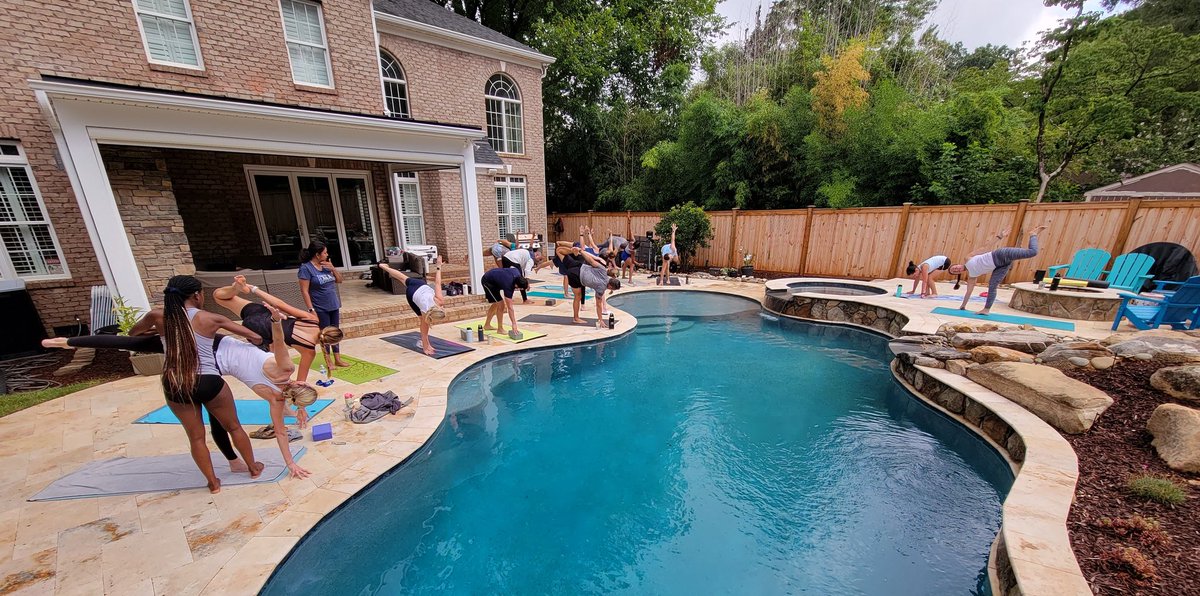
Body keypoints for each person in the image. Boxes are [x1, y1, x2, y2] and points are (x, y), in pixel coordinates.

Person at [43, 303, 316, 480]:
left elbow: (278, 340)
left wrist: (277, 321)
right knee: (219, 417)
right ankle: (234, 462)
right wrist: (290, 464)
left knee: (146, 342)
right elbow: (281, 432)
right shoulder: (275, 401)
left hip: (215, 349)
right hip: (210, 365)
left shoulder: (284, 369)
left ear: (300, 386)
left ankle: (67, 341)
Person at [159, 275, 262, 494]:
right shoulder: (211, 318)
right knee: (233, 426)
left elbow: (134, 333)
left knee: (195, 437)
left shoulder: (159, 317)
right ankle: (253, 468)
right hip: (207, 379)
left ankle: (213, 483)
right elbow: (254, 336)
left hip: (175, 383)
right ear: (197, 295)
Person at [212, 276, 344, 383]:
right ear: (329, 343)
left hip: (262, 313)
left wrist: (254, 289)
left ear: (327, 328)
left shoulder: (312, 319)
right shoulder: (309, 351)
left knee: (217, 296)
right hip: (259, 331)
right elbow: (300, 381)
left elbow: (280, 304)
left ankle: (235, 288)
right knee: (276, 360)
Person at [949, 225, 1048, 315]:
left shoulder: (967, 258)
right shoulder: (972, 276)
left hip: (1000, 254)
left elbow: (985, 248)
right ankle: (986, 309)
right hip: (1001, 266)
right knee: (992, 285)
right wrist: (963, 305)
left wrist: (999, 236)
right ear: (959, 273)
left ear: (957, 264)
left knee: (1032, 252)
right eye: (955, 271)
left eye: (954, 267)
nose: (956, 269)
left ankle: (1033, 234)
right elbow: (968, 292)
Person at [377, 256, 447, 356]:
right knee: (424, 324)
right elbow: (424, 328)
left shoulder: (440, 300)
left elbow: (437, 282)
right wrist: (426, 346)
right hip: (412, 294)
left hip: (419, 284)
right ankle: (425, 345)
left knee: (402, 277)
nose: (443, 307)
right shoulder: (425, 311)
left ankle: (384, 267)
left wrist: (439, 266)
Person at [298, 241, 346, 368]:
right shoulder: (306, 268)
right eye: (325, 252)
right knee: (325, 334)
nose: (327, 254)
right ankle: (328, 360)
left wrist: (333, 269)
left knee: (335, 332)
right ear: (317, 255)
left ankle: (338, 359)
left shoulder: (327, 266)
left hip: (333, 304)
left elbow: (339, 281)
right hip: (320, 307)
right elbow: (304, 291)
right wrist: (311, 309)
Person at [572, 248, 622, 328]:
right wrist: (600, 320)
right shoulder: (601, 288)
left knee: (560, 253)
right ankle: (576, 318)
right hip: (577, 274)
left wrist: (581, 251)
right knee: (578, 296)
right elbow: (599, 305)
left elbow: (591, 260)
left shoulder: (603, 270)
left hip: (579, 265)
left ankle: (576, 317)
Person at [480, 265, 529, 335]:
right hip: (488, 282)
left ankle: (487, 325)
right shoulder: (508, 285)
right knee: (501, 305)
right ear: (516, 285)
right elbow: (510, 308)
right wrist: (514, 324)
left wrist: (527, 284)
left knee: (496, 303)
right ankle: (500, 329)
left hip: (496, 279)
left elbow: (512, 267)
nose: (518, 290)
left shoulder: (517, 273)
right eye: (519, 289)